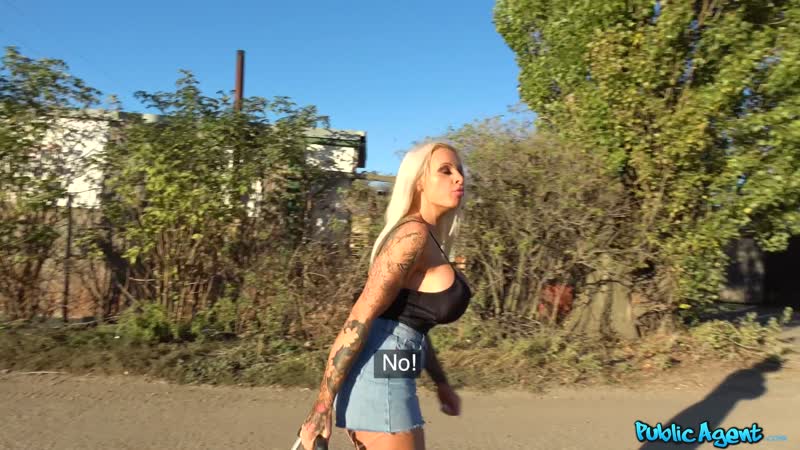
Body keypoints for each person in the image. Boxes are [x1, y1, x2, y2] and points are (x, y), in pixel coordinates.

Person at [298, 142, 471, 450]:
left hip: (393, 375)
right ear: (419, 182)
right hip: (379, 384)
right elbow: (360, 318)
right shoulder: (412, 236)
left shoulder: (429, 237)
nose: (459, 177)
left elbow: (412, 322)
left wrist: (440, 382)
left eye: (459, 170)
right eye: (445, 171)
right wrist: (322, 407)